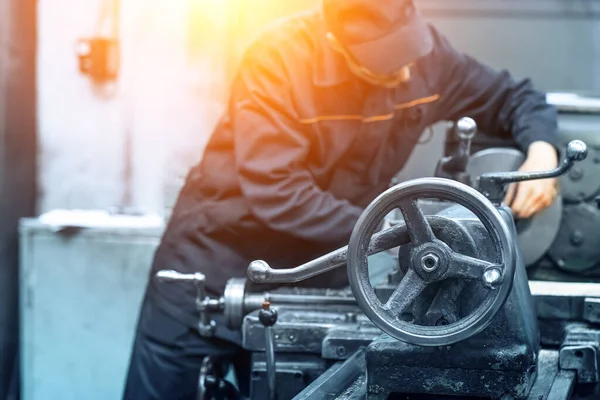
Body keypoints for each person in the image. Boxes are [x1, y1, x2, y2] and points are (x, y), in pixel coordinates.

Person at [123, 0, 560, 398]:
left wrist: (542, 149)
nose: (407, 75)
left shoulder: (427, 58)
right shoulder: (278, 59)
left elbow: (514, 97)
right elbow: (279, 193)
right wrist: (399, 232)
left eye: (408, 53)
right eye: (389, 64)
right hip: (217, 269)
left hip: (324, 275)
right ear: (339, 44)